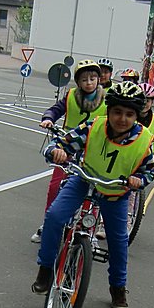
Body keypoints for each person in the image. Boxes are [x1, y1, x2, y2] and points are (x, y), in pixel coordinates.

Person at [32, 78, 154, 308]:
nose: (122, 119)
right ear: (108, 111)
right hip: (83, 180)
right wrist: (57, 151)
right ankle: (45, 269)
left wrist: (139, 180)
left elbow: (149, 172)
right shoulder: (93, 127)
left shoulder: (144, 141)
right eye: (117, 112)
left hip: (115, 193)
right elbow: (63, 142)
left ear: (136, 116)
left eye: (129, 114)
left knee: (119, 242)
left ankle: (118, 288)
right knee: (55, 217)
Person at [31, 59, 106, 241]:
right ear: (78, 82)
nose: (89, 82)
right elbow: (55, 110)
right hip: (67, 148)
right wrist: (49, 118)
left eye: (93, 78)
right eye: (84, 79)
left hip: (93, 151)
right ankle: (49, 224)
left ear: (98, 80)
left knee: (95, 190)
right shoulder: (71, 96)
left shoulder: (107, 99)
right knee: (56, 186)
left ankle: (89, 230)